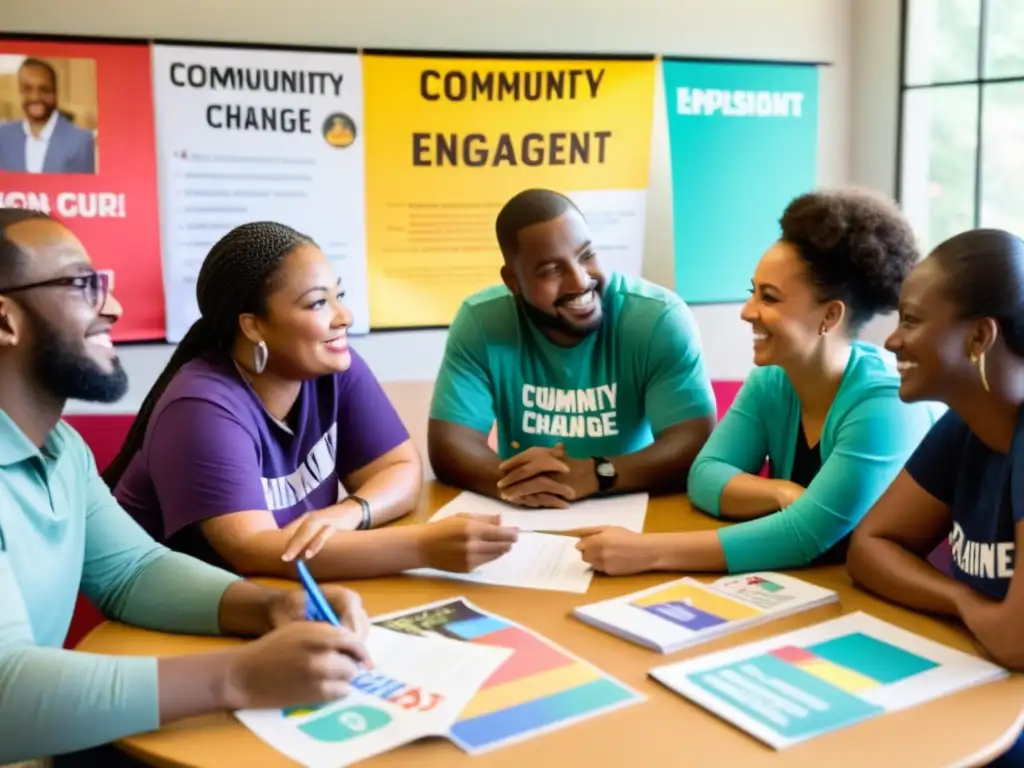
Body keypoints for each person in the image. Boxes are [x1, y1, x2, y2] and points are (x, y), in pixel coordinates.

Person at [0, 209, 371, 766]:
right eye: (82, 285)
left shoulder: (62, 448)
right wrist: (239, 676)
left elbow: (132, 571)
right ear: (5, 320)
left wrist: (274, 608)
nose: (114, 307)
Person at [106, 221, 518, 578]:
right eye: (319, 303)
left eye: (339, 295)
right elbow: (254, 550)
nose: (344, 317)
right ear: (253, 326)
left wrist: (348, 512)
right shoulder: (200, 408)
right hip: (169, 626)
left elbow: (400, 466)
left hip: (277, 595)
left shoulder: (331, 367)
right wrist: (423, 548)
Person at [574, 188, 943, 576]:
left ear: (830, 317)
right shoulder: (773, 378)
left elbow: (804, 535)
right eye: (754, 292)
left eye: (769, 298)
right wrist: (782, 493)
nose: (748, 312)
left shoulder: (887, 404)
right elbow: (705, 475)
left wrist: (646, 552)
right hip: (819, 585)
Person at [428, 188, 717, 509]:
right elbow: (450, 445)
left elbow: (693, 441)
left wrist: (598, 473)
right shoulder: (481, 323)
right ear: (514, 281)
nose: (580, 281)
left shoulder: (658, 319)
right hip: (528, 518)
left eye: (586, 255)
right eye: (551, 270)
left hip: (633, 505)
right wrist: (518, 482)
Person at [0, 58, 96, 174]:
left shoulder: (81, 141)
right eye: (27, 89)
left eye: (44, 90)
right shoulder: (3, 137)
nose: (35, 97)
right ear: (20, 92)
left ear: (55, 92)